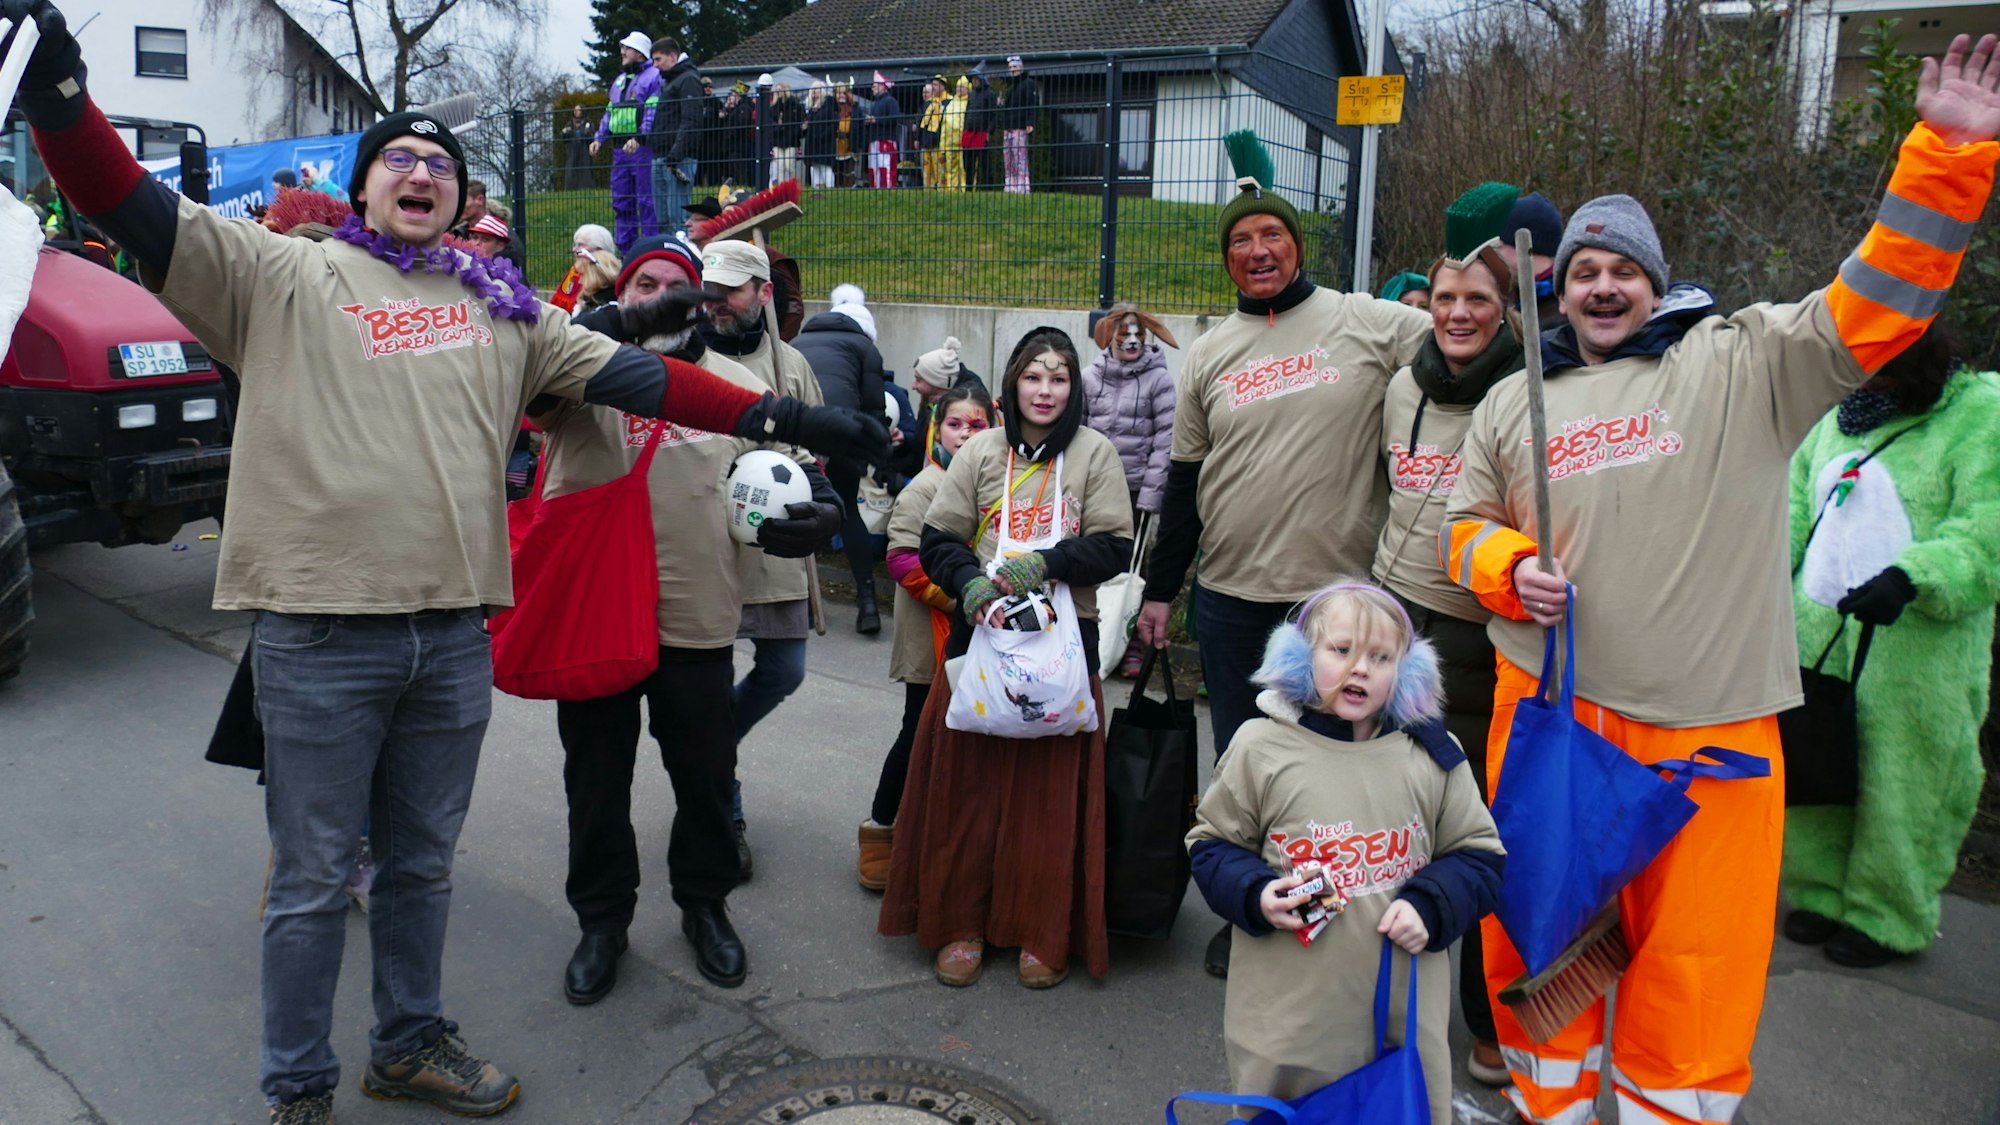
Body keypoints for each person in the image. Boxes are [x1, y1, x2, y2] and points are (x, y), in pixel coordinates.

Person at [0, 4, 886, 1118]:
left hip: (451, 636)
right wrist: (62, 102)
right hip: (320, 632)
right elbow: (122, 203)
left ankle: (408, 1041)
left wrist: (794, 426)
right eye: (398, 159)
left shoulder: (504, 311)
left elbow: (649, 380)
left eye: (441, 164)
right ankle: (298, 1085)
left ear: (462, 201)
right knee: (316, 882)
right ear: (365, 187)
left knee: (419, 867)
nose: (420, 172)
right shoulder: (278, 276)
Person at [1442, 37, 2000, 1125]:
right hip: (1554, 730)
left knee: (1691, 972)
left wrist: (1944, 155)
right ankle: (1545, 1110)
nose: (1603, 285)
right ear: (1557, 293)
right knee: (1541, 946)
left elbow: (1878, 299)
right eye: (1586, 270)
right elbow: (1458, 533)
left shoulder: (1743, 361)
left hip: (1712, 746)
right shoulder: (1517, 402)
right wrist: (1508, 568)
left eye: (1624, 269)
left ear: (1653, 283)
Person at [1134, 130, 1430, 978]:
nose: (1257, 251)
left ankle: (1344, 901)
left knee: (1342, 767)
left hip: (1336, 606)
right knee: (1249, 761)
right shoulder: (1211, 354)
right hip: (1229, 599)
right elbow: (1183, 485)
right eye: (1239, 241)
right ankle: (1255, 906)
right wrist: (1162, 593)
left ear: (1297, 244)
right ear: (1225, 258)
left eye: (1271, 236)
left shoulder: (1364, 320)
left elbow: (1460, 349)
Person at [537, 233, 842, 1002]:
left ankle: (704, 905)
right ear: (622, 295)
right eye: (644, 285)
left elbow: (800, 473)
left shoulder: (737, 383)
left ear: (701, 297)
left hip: (697, 614)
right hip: (597, 612)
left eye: (677, 283)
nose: (660, 296)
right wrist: (603, 330)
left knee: (705, 777)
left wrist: (822, 517)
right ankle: (602, 921)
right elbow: (524, 398)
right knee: (596, 781)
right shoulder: (577, 365)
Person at [1187, 581, 1504, 1125]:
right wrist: (1257, 893)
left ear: (1406, 673)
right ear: (1300, 655)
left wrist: (1433, 905)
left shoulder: (1429, 757)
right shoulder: (1261, 747)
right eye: (1341, 650)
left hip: (1400, 1017)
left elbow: (1480, 855)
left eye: (1380, 658)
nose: (1360, 669)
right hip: (1289, 1017)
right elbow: (1212, 844)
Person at [880, 326, 1135, 989]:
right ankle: (961, 920)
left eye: (1058, 376)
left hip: (1061, 646)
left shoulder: (1095, 452)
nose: (1045, 389)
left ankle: (1041, 927)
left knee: (1048, 798)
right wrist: (966, 581)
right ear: (1013, 383)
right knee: (968, 788)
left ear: (1074, 386)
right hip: (982, 639)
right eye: (1033, 375)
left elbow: (1113, 545)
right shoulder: (984, 452)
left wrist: (1045, 563)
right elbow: (937, 535)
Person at [1368, 184, 1525, 1087]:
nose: (1459, 314)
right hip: (1393, 623)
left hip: (1477, 636)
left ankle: (1488, 1021)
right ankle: (1381, 989)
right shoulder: (1401, 388)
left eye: (1480, 299)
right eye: (1445, 298)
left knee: (1466, 831)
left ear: (1505, 309)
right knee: (1388, 816)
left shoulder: (1524, 395)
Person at [1782, 322, 2000, 968]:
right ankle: (1819, 889)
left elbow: (1985, 529)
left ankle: (1889, 912)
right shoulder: (1835, 416)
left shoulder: (1980, 414)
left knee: (1909, 778)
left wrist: (1919, 574)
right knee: (1815, 764)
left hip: (1915, 641)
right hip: (1817, 626)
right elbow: (1795, 508)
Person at [694, 239, 829, 880]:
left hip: (774, 554)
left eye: (732, 290)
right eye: (708, 287)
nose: (717, 301)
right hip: (701, 551)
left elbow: (818, 452)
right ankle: (725, 814)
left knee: (786, 671)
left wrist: (818, 502)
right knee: (709, 683)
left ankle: (711, 749)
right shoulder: (681, 358)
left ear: (763, 294)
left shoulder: (793, 365)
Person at [858, 382, 998, 889]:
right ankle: (880, 829)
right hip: (931, 634)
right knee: (918, 730)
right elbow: (901, 560)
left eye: (976, 424)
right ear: (937, 429)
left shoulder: (997, 481)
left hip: (985, 636)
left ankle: (942, 838)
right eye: (954, 424)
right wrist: (965, 599)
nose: (964, 434)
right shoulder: (925, 487)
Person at [1082, 303, 1178, 678]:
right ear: (1110, 337)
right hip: (1097, 490)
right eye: (1125, 334)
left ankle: (1130, 642)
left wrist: (1152, 496)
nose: (1133, 340)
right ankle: (1094, 637)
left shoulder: (1159, 380)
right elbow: (1082, 431)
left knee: (1132, 568)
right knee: (1094, 561)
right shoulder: (1091, 377)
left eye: (1139, 333)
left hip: (1138, 490)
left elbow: (1165, 439)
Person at [791, 282, 887, 633]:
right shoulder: (865, 347)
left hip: (799, 433)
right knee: (847, 510)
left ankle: (800, 600)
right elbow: (873, 409)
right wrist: (871, 455)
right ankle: (868, 603)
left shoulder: (795, 344)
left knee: (799, 508)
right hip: (842, 432)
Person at [590, 31, 663, 253]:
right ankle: (626, 252)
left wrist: (640, 137)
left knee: (646, 201)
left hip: (641, 149)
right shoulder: (620, 81)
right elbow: (610, 113)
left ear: (639, 52)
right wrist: (598, 138)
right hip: (619, 150)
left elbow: (652, 111)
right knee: (621, 201)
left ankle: (650, 249)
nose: (622, 52)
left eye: (627, 48)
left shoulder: (653, 77)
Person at [648, 37, 703, 237]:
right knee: (663, 220)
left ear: (673, 56)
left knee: (677, 218)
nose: (655, 65)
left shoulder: (688, 80)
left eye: (658, 59)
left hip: (678, 158)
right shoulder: (670, 82)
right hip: (661, 156)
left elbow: (691, 119)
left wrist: (676, 154)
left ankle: (682, 262)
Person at [1497, 191, 1564, 326]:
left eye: (1499, 245)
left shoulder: (1565, 313)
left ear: (1524, 247)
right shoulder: (1513, 300)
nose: (1494, 254)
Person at [1001, 55, 1039, 193]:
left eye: (1015, 67)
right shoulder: (1010, 87)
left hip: (1020, 126)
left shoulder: (1028, 83)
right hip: (1008, 126)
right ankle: (1010, 185)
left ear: (1021, 68)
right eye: (1010, 68)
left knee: (1020, 156)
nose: (1013, 70)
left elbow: (1033, 104)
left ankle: (1022, 186)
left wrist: (1031, 122)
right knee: (1008, 157)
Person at [861, 71, 902, 189]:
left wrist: (876, 120)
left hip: (886, 140)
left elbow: (894, 119)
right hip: (874, 141)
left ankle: (888, 190)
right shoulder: (874, 104)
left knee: (886, 167)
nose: (872, 88)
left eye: (875, 85)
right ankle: (876, 190)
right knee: (874, 168)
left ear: (882, 86)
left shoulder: (890, 101)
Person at [962, 62, 999, 190]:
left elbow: (994, 115)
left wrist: (989, 131)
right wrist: (965, 128)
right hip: (970, 132)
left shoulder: (990, 94)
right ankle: (968, 187)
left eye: (976, 78)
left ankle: (989, 188)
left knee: (985, 163)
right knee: (968, 163)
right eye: (973, 79)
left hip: (982, 132)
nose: (974, 81)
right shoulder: (971, 94)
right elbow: (968, 112)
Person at [803, 80, 839, 189]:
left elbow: (834, 123)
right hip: (813, 144)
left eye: (816, 89)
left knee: (825, 168)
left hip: (825, 143)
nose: (813, 91)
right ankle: (816, 191)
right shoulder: (811, 108)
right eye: (812, 89)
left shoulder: (829, 104)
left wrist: (823, 136)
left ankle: (830, 190)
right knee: (815, 167)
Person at [768, 82, 803, 184]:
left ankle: (793, 186)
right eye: (776, 90)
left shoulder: (794, 105)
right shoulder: (774, 107)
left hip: (790, 140)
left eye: (780, 90)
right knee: (780, 167)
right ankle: (782, 189)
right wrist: (778, 127)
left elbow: (798, 122)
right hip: (778, 139)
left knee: (790, 165)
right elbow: (771, 123)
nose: (778, 93)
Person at [916, 77, 947, 189]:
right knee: (926, 172)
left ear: (942, 87)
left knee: (939, 171)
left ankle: (940, 191)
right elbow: (921, 122)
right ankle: (927, 191)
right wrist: (917, 138)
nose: (934, 87)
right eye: (932, 85)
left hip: (939, 143)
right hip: (925, 142)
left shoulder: (948, 102)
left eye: (935, 85)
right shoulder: (927, 104)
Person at [940, 77, 970, 191]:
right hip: (949, 143)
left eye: (962, 87)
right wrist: (942, 146)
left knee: (964, 170)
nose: (959, 89)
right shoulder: (951, 103)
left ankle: (964, 191)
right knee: (949, 170)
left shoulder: (969, 103)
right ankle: (951, 191)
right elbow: (944, 125)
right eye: (958, 87)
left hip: (963, 143)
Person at [562, 105, 596, 190]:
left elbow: (591, 136)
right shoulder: (570, 123)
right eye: (575, 110)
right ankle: (570, 188)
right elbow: (564, 136)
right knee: (571, 170)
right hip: (572, 151)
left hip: (584, 151)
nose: (576, 112)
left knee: (584, 170)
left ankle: (585, 188)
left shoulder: (587, 123)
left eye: (578, 110)